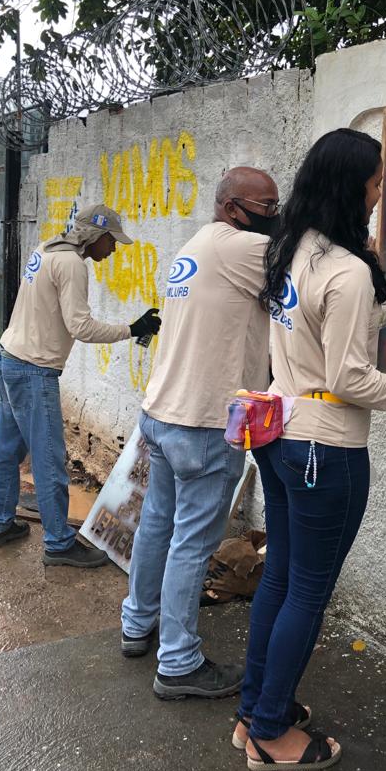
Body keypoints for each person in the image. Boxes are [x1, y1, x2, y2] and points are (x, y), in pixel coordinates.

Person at [234, 127, 386, 771]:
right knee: (307, 592)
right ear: (351, 186)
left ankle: (255, 709)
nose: (380, 191)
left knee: (280, 579)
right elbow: (348, 377)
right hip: (326, 452)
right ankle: (270, 734)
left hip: (282, 440)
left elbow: (322, 332)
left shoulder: (294, 248)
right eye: (375, 180)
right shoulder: (345, 270)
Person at [121, 167, 280, 701]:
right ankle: (179, 662)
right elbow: (305, 271)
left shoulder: (194, 245)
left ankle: (137, 623)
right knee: (191, 544)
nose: (273, 216)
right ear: (233, 206)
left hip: (163, 413)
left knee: (156, 527)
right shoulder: (240, 249)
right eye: (266, 206)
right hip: (205, 424)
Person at [0, 203, 161, 567]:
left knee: (6, 451)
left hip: (8, 358)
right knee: (49, 460)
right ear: (96, 236)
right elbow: (81, 327)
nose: (113, 250)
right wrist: (133, 329)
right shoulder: (72, 265)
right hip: (33, 371)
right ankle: (59, 543)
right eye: (111, 241)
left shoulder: (47, 249)